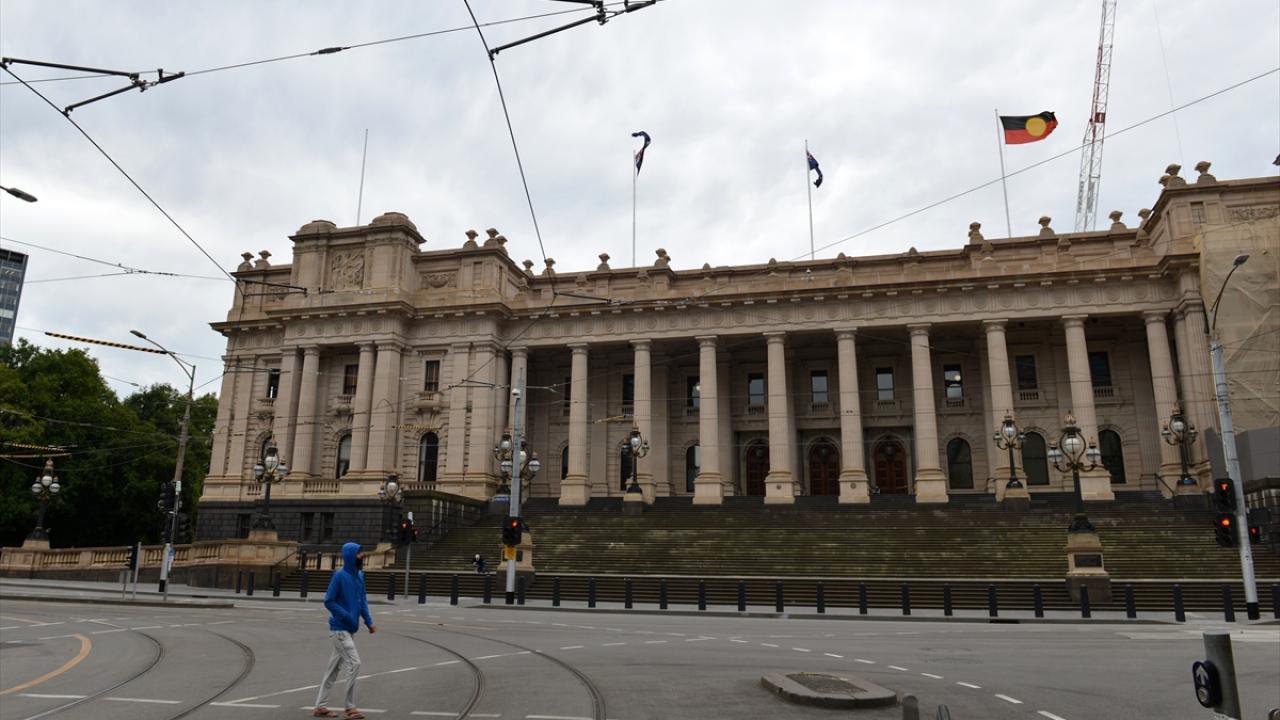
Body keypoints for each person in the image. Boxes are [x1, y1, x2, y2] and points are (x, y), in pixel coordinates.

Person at [313, 542, 375, 719]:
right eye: (358, 553)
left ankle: (320, 707)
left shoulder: (360, 576)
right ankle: (350, 707)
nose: (362, 555)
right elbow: (329, 600)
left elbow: (362, 601)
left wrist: (369, 622)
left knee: (332, 670)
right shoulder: (339, 576)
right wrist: (346, 616)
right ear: (350, 556)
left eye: (361, 552)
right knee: (354, 663)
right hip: (339, 629)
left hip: (350, 629)